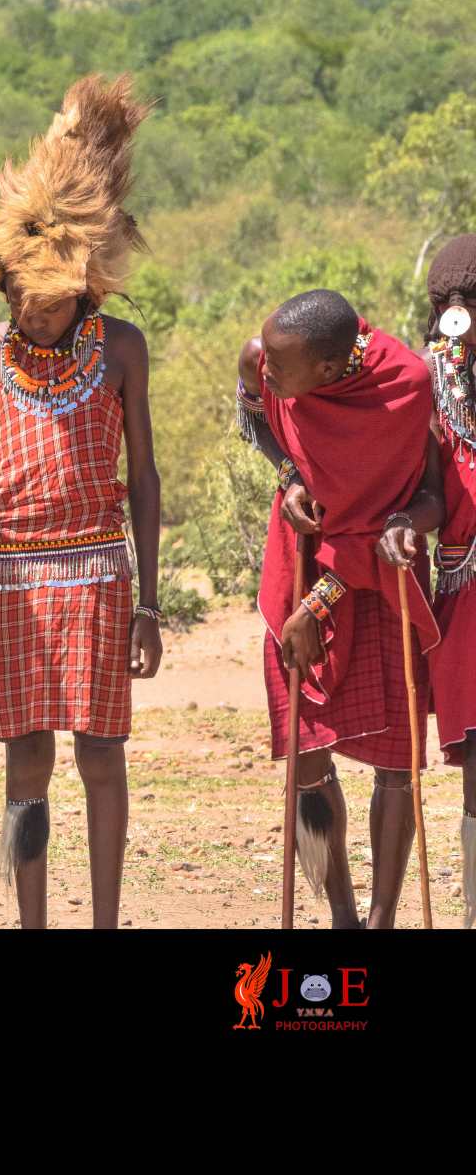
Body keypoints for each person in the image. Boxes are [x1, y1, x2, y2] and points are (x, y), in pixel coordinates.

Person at [0, 76, 163, 929]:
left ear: (86, 284)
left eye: (56, 299)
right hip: (15, 582)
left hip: (101, 576)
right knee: (24, 761)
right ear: (3, 288)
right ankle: (32, 922)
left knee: (101, 755)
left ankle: (104, 921)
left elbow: (143, 479)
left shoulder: (121, 350)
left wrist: (149, 601)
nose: (40, 314)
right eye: (26, 301)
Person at [237, 287, 438, 928]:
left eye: (278, 361)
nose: (263, 367)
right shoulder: (258, 362)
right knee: (306, 756)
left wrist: (329, 598)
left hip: (382, 576)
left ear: (327, 370)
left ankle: (378, 920)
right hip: (297, 563)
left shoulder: (403, 387)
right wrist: (289, 473)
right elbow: (261, 421)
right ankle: (342, 914)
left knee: (394, 760)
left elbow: (415, 495)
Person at [421, 236, 476, 927]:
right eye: (447, 305)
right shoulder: (429, 388)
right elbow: (424, 491)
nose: (459, 316)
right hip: (466, 593)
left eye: (472, 301)